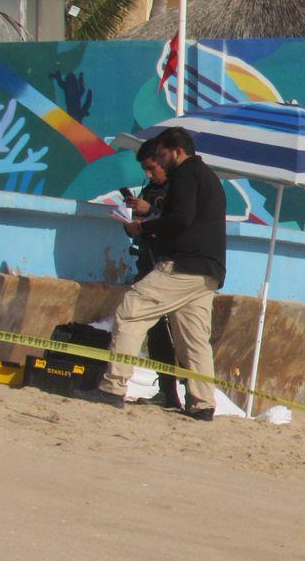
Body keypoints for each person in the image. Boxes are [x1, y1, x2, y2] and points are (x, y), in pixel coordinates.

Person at [87, 127, 227, 419]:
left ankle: (112, 387)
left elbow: (181, 218)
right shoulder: (210, 177)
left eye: (162, 156)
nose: (160, 164)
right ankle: (203, 405)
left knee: (130, 310)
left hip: (183, 266)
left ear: (177, 151)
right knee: (193, 338)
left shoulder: (186, 174)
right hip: (208, 271)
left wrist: (145, 226)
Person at [126, 140, 183, 411]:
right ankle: (167, 391)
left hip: (174, 269)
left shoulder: (180, 188)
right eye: (145, 171)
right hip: (148, 262)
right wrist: (135, 221)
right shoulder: (150, 189)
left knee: (182, 333)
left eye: (152, 168)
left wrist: (152, 212)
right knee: (157, 332)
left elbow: (181, 221)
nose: (149, 175)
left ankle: (191, 393)